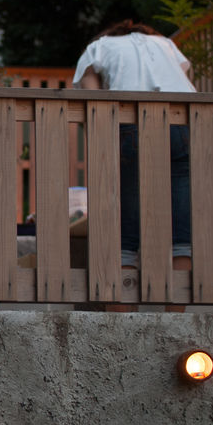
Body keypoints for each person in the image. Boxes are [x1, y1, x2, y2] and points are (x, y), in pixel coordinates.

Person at [72, 20, 194, 270]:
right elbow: (187, 77)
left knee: (127, 222)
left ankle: (122, 305)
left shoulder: (100, 46)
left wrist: (101, 139)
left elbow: (91, 93)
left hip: (132, 123)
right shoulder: (167, 44)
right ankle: (180, 307)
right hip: (180, 123)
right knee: (181, 227)